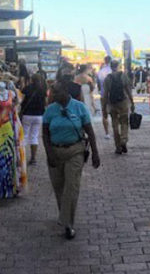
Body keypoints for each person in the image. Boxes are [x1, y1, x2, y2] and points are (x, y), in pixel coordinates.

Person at [43, 81, 100, 239]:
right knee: (59, 188)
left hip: (75, 151)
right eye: (53, 93)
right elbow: (45, 134)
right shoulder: (50, 110)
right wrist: (49, 154)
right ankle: (65, 218)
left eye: (57, 92)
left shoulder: (79, 107)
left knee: (71, 187)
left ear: (66, 92)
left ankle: (68, 224)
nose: (54, 95)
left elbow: (89, 131)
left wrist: (95, 153)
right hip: (55, 151)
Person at [101, 59, 135, 154]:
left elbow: (105, 94)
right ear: (118, 66)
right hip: (123, 102)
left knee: (115, 125)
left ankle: (118, 147)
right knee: (124, 122)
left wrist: (104, 108)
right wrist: (132, 102)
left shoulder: (108, 78)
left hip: (112, 104)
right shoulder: (123, 75)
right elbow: (128, 90)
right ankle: (124, 140)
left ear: (111, 66)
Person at [21, 73, 47, 165]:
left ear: (31, 79)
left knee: (24, 136)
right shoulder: (43, 90)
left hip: (27, 114)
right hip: (39, 115)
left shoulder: (26, 88)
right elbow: (45, 103)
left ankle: (21, 158)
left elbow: (21, 101)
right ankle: (33, 158)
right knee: (34, 136)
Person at [96, 56, 112, 139]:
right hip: (114, 95)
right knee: (115, 114)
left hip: (103, 95)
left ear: (104, 61)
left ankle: (107, 133)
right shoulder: (113, 71)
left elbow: (98, 84)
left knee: (104, 114)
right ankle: (116, 129)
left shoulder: (100, 71)